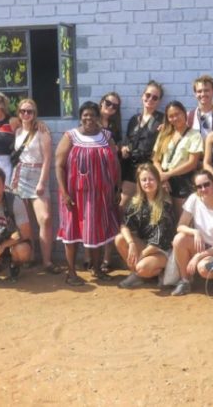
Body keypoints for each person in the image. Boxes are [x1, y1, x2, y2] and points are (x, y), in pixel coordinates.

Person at [56, 101, 121, 285]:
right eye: (85, 115)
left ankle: (97, 269)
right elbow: (59, 166)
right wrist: (64, 193)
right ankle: (71, 272)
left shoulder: (106, 137)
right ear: (80, 116)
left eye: (92, 115)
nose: (88, 118)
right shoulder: (71, 136)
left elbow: (115, 163)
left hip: (101, 195)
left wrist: (117, 187)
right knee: (72, 232)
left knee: (97, 231)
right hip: (75, 195)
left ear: (98, 117)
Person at [169, 170, 213, 296]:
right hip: (202, 245)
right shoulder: (194, 199)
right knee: (179, 239)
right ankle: (185, 281)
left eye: (206, 184)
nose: (203, 189)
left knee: (203, 268)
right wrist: (195, 232)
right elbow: (180, 226)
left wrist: (198, 256)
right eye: (199, 186)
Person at [11, 98, 57, 273]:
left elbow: (47, 159)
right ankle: (29, 256)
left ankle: (47, 261)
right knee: (26, 221)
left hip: (37, 174)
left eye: (29, 111)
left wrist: (42, 182)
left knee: (44, 218)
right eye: (23, 111)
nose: (26, 114)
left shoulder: (42, 131)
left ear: (35, 113)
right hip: (20, 175)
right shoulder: (17, 132)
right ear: (18, 113)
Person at [114, 164, 175, 289]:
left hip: (162, 250)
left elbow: (158, 242)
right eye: (144, 180)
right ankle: (137, 275)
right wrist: (131, 243)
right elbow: (124, 226)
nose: (148, 183)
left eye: (151, 179)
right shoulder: (136, 202)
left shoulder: (165, 204)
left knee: (142, 267)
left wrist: (140, 257)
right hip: (146, 245)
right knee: (120, 239)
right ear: (139, 183)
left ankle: (157, 272)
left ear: (158, 181)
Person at [152, 100, 203, 217]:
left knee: (180, 217)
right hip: (162, 180)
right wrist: (162, 176)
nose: (175, 118)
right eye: (171, 116)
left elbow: (192, 163)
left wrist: (168, 174)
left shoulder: (194, 135)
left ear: (184, 113)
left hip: (182, 181)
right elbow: (155, 159)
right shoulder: (164, 133)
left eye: (177, 114)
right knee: (162, 216)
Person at [119, 81, 165, 208]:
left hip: (149, 168)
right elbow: (128, 140)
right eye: (148, 95)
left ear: (159, 101)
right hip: (131, 168)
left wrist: (167, 129)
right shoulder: (134, 119)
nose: (150, 99)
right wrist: (124, 148)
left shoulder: (162, 119)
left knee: (149, 207)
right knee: (122, 205)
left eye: (155, 97)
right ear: (142, 96)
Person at [97, 91, 123, 273]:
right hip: (92, 177)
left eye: (115, 106)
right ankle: (93, 258)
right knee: (93, 218)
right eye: (108, 103)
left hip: (109, 176)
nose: (111, 107)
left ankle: (106, 259)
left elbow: (118, 149)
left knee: (109, 217)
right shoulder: (89, 121)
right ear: (101, 102)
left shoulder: (115, 127)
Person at [187, 74, 213, 140]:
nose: (203, 94)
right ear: (195, 94)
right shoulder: (189, 116)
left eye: (206, 90)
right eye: (199, 91)